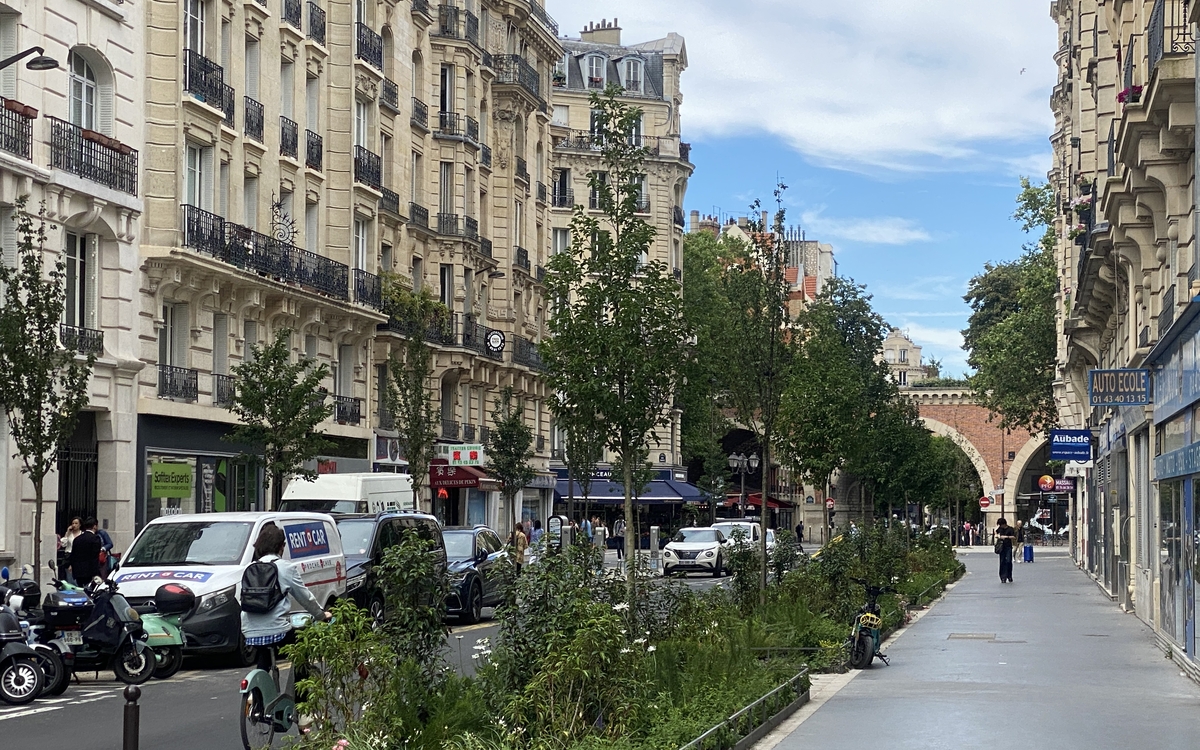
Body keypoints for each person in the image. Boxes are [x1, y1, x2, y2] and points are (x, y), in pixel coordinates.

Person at [241, 523, 330, 673]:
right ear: (281, 546)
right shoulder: (285, 568)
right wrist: (321, 615)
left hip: (249, 632)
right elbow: (305, 598)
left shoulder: (250, 568)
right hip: (277, 631)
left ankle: (257, 692)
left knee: (264, 656)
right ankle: (300, 690)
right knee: (302, 642)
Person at [67, 518, 103, 585]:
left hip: (78, 572)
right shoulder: (95, 539)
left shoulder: (77, 539)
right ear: (94, 526)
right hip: (90, 572)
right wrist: (96, 573)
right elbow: (95, 557)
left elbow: (73, 555)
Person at [995, 518, 1017, 583]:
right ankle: (1003, 577)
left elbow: (1014, 537)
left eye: (1000, 525)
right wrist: (998, 536)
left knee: (1008, 561)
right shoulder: (1000, 529)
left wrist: (1006, 537)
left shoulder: (1010, 529)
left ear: (1004, 524)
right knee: (1002, 561)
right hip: (1001, 547)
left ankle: (1009, 575)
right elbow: (996, 533)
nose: (1000, 526)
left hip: (1008, 546)